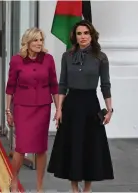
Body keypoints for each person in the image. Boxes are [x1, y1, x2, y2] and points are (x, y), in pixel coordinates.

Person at [47, 20, 114, 193]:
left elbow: (105, 85)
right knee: (73, 145)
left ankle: (88, 189)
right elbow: (62, 85)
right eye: (79, 33)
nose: (82, 37)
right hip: (71, 106)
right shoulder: (67, 56)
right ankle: (74, 188)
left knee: (90, 146)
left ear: (92, 35)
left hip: (91, 105)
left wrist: (110, 109)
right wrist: (59, 109)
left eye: (86, 33)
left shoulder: (101, 57)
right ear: (74, 36)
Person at [5, 27, 59, 192]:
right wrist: (8, 110)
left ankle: (39, 186)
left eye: (41, 40)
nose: (39, 43)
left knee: (41, 148)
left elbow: (54, 85)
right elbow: (10, 87)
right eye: (35, 40)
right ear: (27, 42)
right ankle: (14, 180)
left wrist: (59, 109)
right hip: (22, 108)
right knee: (21, 148)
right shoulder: (16, 60)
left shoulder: (48, 59)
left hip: (42, 107)